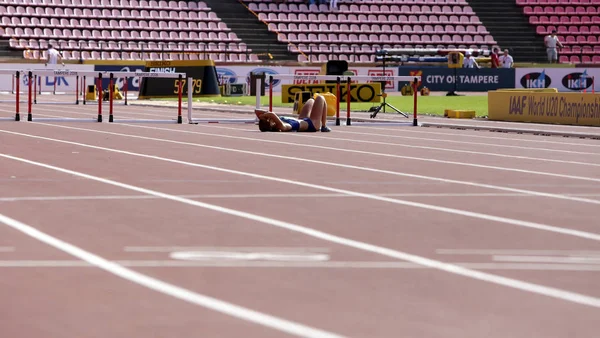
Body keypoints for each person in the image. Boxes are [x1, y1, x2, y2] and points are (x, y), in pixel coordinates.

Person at [256, 94, 331, 132]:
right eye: (268, 119)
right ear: (270, 124)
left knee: (311, 100)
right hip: (312, 124)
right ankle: (324, 126)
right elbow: (272, 114)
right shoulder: (282, 126)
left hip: (303, 119)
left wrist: (263, 117)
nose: (269, 117)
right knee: (320, 98)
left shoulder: (276, 121)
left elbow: (256, 111)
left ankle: (323, 125)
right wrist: (266, 115)